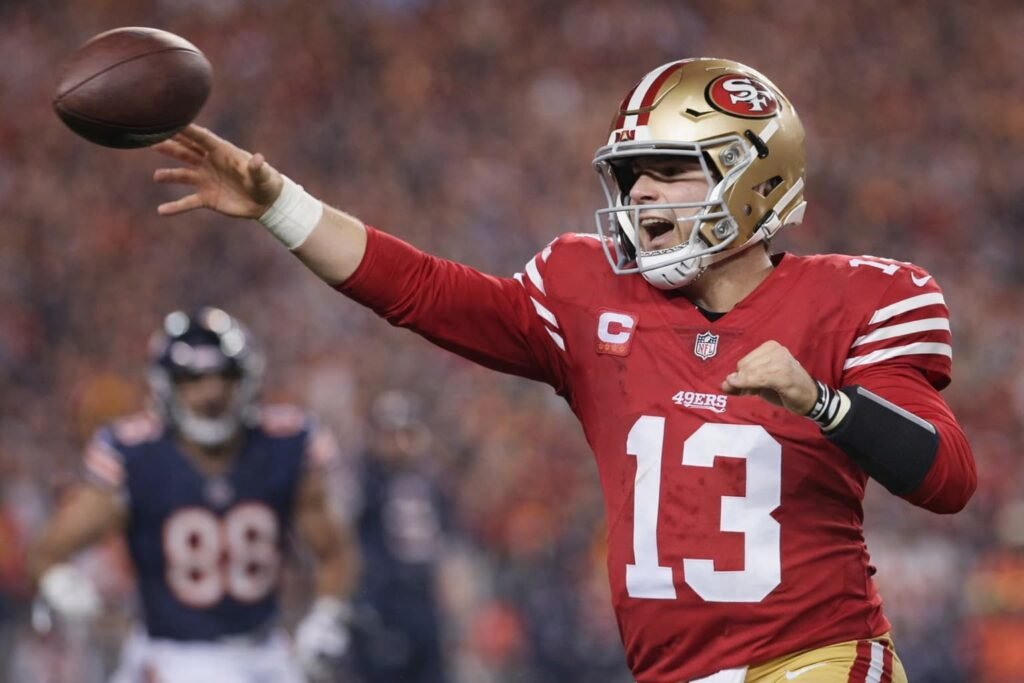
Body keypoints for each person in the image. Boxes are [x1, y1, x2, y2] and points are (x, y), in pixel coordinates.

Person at [148, 58, 977, 682]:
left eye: (669, 172)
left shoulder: (860, 297)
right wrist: (277, 205)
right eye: (630, 174)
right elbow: (426, 292)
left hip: (817, 657)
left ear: (753, 177)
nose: (641, 195)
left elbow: (947, 477)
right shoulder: (589, 292)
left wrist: (824, 402)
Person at [28, 307, 360, 683]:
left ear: (248, 381)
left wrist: (327, 616)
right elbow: (48, 550)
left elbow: (334, 551)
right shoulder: (135, 455)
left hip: (266, 650)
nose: (211, 394)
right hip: (171, 654)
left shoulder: (285, 445)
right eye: (193, 380)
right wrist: (62, 584)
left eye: (225, 377)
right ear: (166, 386)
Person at [349, 390, 449, 683]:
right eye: (391, 434)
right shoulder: (366, 483)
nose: (400, 444)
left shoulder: (430, 481)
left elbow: (445, 546)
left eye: (406, 433)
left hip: (423, 603)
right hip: (380, 605)